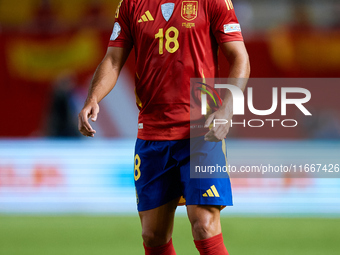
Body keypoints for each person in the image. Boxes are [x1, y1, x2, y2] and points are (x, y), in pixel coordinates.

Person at [78, 0, 250, 254]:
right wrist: (93, 98)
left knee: (204, 224)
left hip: (201, 132)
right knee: (153, 235)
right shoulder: (130, 5)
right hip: (152, 133)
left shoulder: (213, 2)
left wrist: (227, 108)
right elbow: (113, 60)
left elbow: (240, 57)